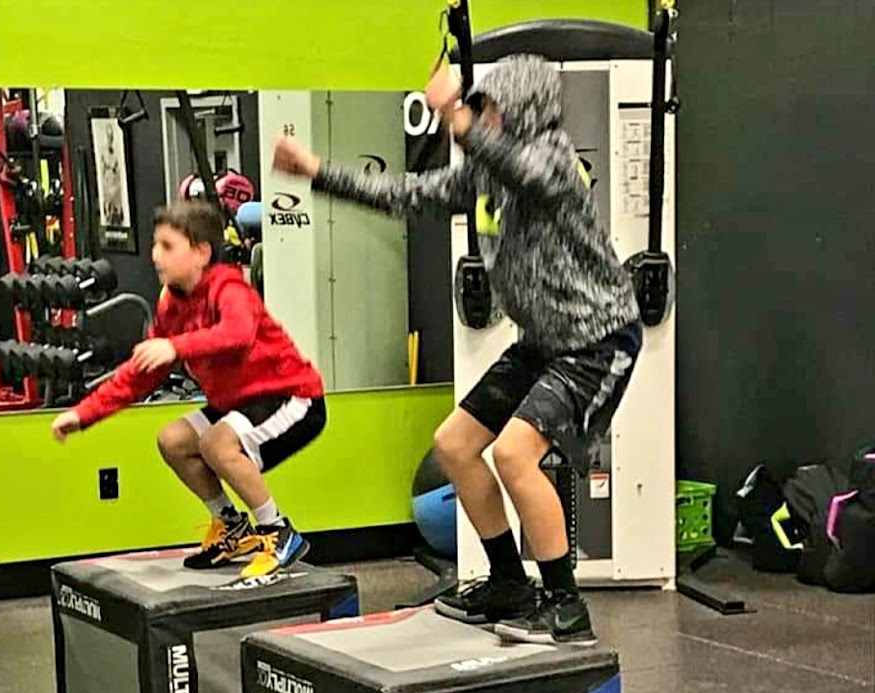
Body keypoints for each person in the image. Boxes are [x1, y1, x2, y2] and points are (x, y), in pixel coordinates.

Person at [272, 55, 643, 644]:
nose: (482, 116)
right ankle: (507, 584)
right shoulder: (484, 172)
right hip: (544, 340)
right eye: (480, 107)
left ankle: (567, 607)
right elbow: (407, 193)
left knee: (516, 455)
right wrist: (318, 172)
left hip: (597, 340)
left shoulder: (554, 161)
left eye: (491, 107)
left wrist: (451, 110)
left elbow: (523, 173)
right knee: (455, 444)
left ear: (520, 111)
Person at [51, 200, 325, 579]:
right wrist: (84, 414)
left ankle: (278, 532)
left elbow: (238, 334)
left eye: (167, 246)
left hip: (291, 397)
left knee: (216, 443)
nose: (155, 256)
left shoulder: (229, 288)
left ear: (200, 252)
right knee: (174, 440)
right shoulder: (173, 306)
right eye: (154, 245)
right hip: (239, 403)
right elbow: (141, 374)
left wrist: (176, 347)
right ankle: (231, 526)